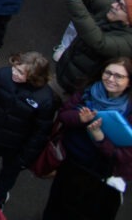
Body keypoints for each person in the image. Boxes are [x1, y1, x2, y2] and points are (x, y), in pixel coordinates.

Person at [42, 56, 132, 220]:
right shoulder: (89, 91)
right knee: (58, 200)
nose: (111, 79)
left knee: (81, 209)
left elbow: (125, 156)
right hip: (70, 159)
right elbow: (63, 114)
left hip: (96, 171)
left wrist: (100, 139)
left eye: (118, 76)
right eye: (108, 73)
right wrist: (79, 119)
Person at [0, 51, 56, 206]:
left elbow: (40, 133)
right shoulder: (1, 76)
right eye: (15, 67)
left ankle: (0, 195)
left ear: (34, 77)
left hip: (17, 146)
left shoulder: (45, 99)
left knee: (10, 172)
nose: (14, 72)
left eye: (20, 72)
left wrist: (25, 158)